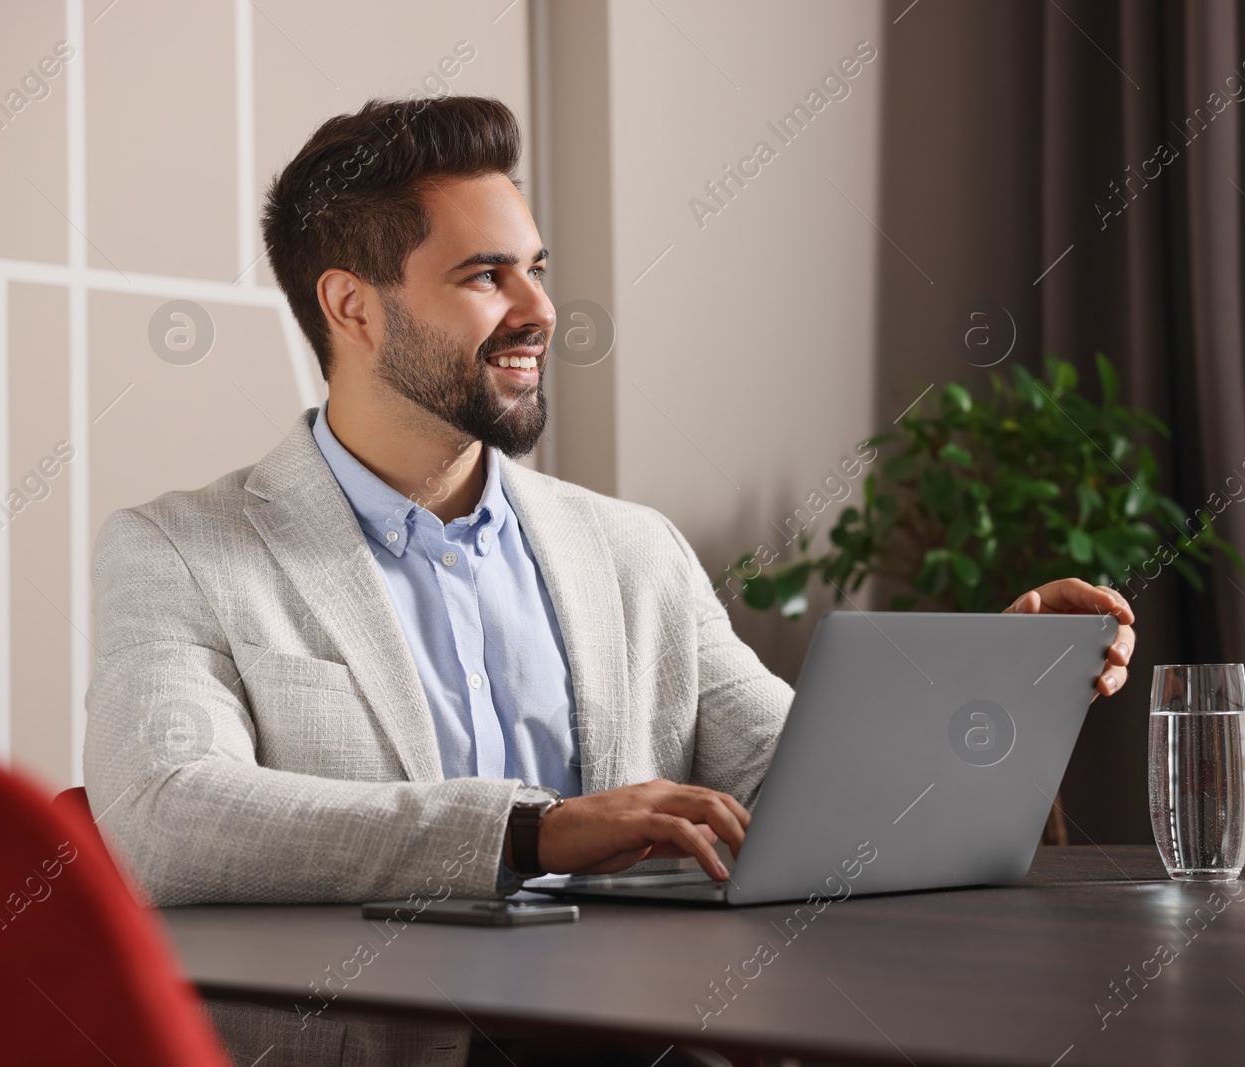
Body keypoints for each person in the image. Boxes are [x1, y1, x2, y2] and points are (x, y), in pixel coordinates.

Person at [83, 95, 1136, 1067]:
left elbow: (799, 791)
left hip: (650, 1038)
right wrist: (532, 828)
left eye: (538, 266)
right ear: (353, 310)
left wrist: (983, 693)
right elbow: (170, 814)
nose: (542, 307)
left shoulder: (631, 549)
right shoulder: (182, 550)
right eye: (486, 275)